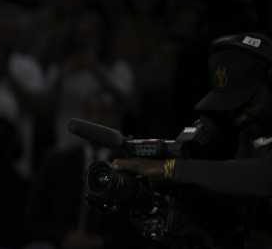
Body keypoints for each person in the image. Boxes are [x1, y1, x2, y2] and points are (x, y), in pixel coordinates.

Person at [113, 32, 272, 196]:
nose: (236, 114)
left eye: (244, 102)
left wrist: (168, 168)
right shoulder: (243, 127)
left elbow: (263, 176)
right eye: (228, 103)